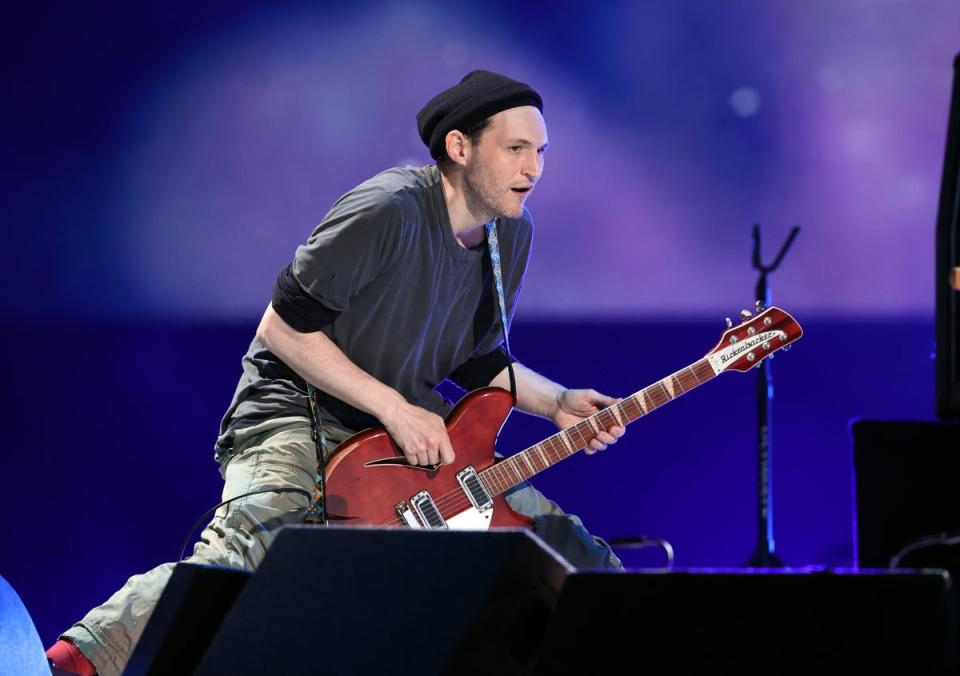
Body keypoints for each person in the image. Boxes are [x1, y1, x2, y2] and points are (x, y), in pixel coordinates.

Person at [47, 70, 626, 676]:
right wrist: (395, 407)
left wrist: (557, 401)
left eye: (540, 152)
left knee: (562, 556)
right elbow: (283, 326)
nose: (533, 168)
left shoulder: (513, 233)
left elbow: (475, 357)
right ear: (460, 147)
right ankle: (71, 664)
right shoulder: (389, 208)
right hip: (296, 412)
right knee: (260, 550)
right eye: (516, 149)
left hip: (404, 437)